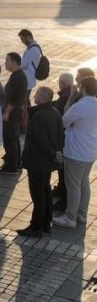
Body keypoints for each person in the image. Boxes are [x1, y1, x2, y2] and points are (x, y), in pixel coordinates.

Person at [17, 87, 63, 237]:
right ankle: (46, 223)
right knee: (45, 191)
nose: (34, 96)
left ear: (42, 97)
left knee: (38, 195)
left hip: (37, 161)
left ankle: (36, 227)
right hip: (47, 161)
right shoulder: (55, 112)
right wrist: (57, 152)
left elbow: (41, 140)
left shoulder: (39, 116)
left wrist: (53, 153)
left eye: (36, 94)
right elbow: (60, 135)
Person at [54, 77, 97, 229]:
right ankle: (82, 214)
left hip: (76, 151)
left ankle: (70, 217)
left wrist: (71, 97)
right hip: (91, 150)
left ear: (83, 88)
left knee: (73, 185)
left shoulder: (80, 106)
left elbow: (64, 121)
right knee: (84, 182)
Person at [2, 52, 28, 173]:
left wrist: (7, 112)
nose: (5, 63)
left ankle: (12, 165)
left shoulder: (18, 77)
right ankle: (16, 162)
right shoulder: (17, 75)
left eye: (7, 60)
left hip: (13, 113)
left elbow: (14, 98)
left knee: (10, 139)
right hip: (15, 112)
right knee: (14, 137)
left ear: (14, 62)